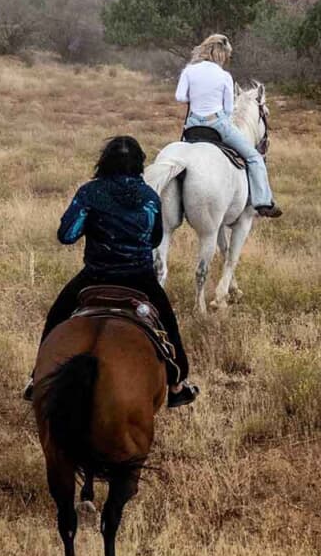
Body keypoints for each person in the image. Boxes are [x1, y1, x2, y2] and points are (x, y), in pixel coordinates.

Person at [24, 137, 197, 408]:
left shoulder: (90, 192)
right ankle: (177, 383)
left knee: (57, 316)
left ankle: (37, 378)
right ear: (140, 164)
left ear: (104, 162)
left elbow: (66, 235)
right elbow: (154, 239)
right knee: (168, 322)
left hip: (96, 275)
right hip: (139, 278)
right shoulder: (150, 197)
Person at [176, 33, 281, 218]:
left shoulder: (189, 70)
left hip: (191, 126)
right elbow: (228, 109)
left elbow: (180, 97)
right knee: (254, 157)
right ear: (222, 54)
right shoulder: (224, 76)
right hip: (217, 125)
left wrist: (196, 98)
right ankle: (263, 201)